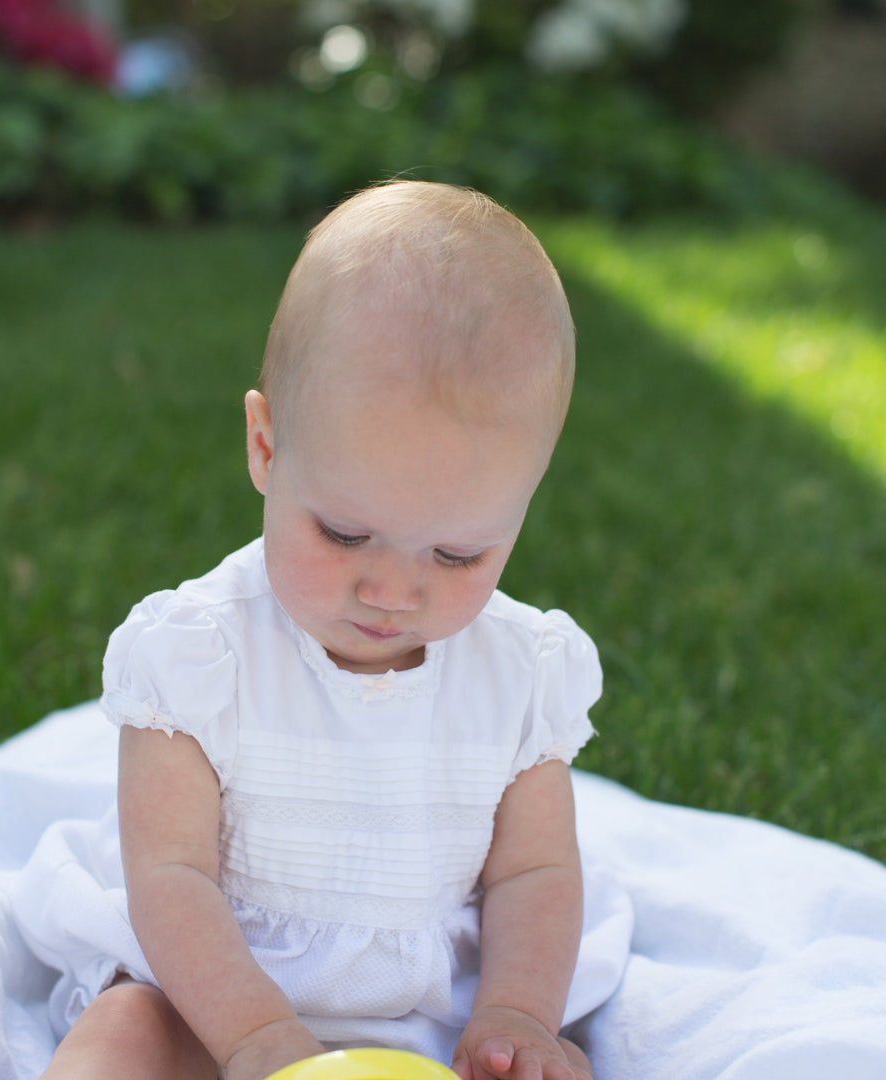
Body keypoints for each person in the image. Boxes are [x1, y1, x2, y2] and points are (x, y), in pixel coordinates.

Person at [32, 180, 608, 1080]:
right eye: (344, 534)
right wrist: (261, 1040)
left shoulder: (521, 675)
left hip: (430, 1009)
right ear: (266, 449)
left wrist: (516, 1013)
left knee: (551, 1064)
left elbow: (534, 875)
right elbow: (170, 877)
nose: (393, 590)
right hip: (216, 997)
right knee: (123, 1037)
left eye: (457, 554)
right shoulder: (202, 657)